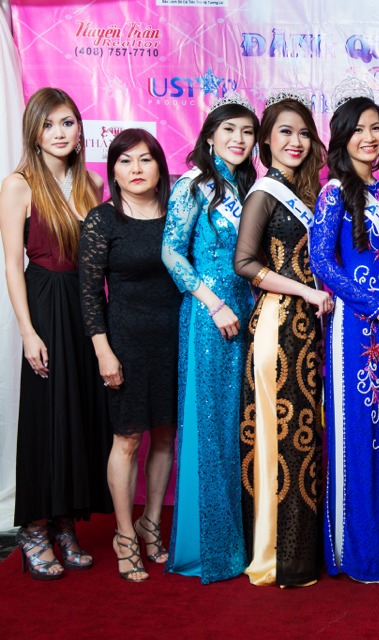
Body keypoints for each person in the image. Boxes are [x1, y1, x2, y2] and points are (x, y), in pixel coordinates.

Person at [0, 87, 112, 580]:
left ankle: (66, 522)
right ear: (35, 132)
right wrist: (27, 331)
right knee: (47, 416)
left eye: (67, 122)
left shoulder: (91, 183)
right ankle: (32, 527)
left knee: (82, 413)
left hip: (87, 306)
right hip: (45, 303)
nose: (60, 133)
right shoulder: (19, 184)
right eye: (49, 125)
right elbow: (12, 265)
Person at [161, 93, 258, 584]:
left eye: (247, 133)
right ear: (210, 137)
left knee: (240, 427)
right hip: (209, 316)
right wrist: (213, 303)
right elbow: (172, 254)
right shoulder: (193, 185)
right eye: (229, 131)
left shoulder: (247, 186)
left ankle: (241, 542)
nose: (239, 140)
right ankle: (211, 550)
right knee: (212, 428)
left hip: (247, 311)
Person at [235, 93, 329, 588]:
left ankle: (302, 552)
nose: (295, 142)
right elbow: (246, 265)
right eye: (284, 132)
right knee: (284, 439)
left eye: (303, 133)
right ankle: (279, 556)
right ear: (266, 140)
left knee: (305, 440)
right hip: (278, 325)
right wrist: (305, 290)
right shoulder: (263, 193)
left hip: (310, 328)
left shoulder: (312, 191)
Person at [79, 129, 181, 581]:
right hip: (125, 343)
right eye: (125, 161)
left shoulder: (178, 213)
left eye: (145, 160)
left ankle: (151, 524)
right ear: (113, 170)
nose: (136, 169)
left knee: (164, 437)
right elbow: (89, 296)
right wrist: (104, 351)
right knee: (128, 440)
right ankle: (125, 534)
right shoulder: (102, 220)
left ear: (161, 166)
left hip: (174, 340)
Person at [310, 95, 379, 583]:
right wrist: (375, 306)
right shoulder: (333, 194)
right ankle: (354, 553)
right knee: (356, 439)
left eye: (377, 127)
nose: (370, 137)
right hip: (354, 330)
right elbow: (323, 264)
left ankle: (375, 540)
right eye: (359, 129)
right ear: (342, 138)